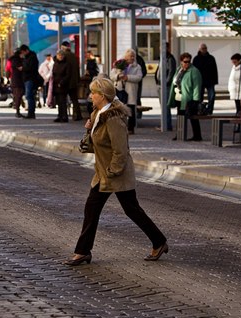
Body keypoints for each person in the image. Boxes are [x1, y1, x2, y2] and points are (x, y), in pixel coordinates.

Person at [63, 78, 169, 266]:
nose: (90, 96)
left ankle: (159, 242)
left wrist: (113, 171)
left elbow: (120, 151)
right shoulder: (97, 113)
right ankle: (83, 251)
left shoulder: (113, 119)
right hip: (103, 174)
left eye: (93, 93)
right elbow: (93, 145)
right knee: (95, 209)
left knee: (131, 210)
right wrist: (88, 131)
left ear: (102, 96)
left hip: (115, 174)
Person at [168, 52, 203, 141]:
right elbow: (175, 81)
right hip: (179, 97)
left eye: (188, 61)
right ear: (181, 61)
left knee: (192, 117)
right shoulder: (179, 69)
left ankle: (197, 135)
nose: (187, 63)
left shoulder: (194, 71)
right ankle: (179, 134)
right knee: (180, 116)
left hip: (189, 99)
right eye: (185, 61)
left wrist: (196, 99)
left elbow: (197, 86)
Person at [110, 48, 142, 134]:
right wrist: (118, 76)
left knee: (131, 109)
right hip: (120, 89)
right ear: (125, 57)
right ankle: (120, 126)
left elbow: (139, 77)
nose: (131, 58)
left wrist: (128, 77)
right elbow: (112, 75)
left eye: (133, 56)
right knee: (119, 108)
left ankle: (131, 128)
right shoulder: (119, 64)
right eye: (130, 56)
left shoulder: (137, 67)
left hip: (131, 90)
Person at [154, 43, 176, 131]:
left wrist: (166, 83)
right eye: (160, 47)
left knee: (166, 106)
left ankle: (167, 125)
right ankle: (164, 124)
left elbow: (171, 72)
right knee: (162, 106)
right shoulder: (162, 58)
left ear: (167, 48)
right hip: (159, 84)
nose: (160, 49)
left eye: (162, 47)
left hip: (165, 86)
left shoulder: (170, 59)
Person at [192, 43, 218, 115]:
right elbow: (194, 70)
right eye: (203, 48)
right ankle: (200, 109)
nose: (204, 50)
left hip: (210, 81)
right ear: (199, 49)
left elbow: (214, 70)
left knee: (212, 96)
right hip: (200, 81)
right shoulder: (196, 59)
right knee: (199, 96)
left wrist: (215, 80)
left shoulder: (211, 58)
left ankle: (209, 110)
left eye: (205, 48)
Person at [61, 41, 83, 121]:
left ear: (63, 47)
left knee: (63, 99)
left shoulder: (65, 56)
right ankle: (78, 115)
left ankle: (64, 116)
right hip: (74, 81)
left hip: (67, 81)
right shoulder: (73, 55)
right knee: (74, 99)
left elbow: (65, 69)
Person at [19, 44, 39, 119]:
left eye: (23, 52)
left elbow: (30, 68)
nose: (23, 54)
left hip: (30, 78)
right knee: (29, 96)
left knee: (29, 96)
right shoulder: (27, 57)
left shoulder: (32, 57)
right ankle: (30, 112)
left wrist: (23, 68)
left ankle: (31, 113)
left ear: (26, 50)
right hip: (27, 78)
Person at [51, 50, 69, 123]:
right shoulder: (55, 63)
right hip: (55, 84)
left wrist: (62, 82)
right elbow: (53, 73)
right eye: (59, 55)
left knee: (63, 101)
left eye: (61, 55)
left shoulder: (66, 64)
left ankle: (64, 116)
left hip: (63, 85)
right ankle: (59, 115)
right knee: (58, 101)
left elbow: (67, 75)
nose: (60, 57)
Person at [7, 49, 25, 118]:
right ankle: (17, 110)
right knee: (18, 95)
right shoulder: (18, 60)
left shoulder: (10, 60)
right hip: (18, 79)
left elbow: (8, 69)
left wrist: (8, 78)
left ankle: (18, 108)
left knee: (17, 95)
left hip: (13, 79)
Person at [135, 51, 148, 119]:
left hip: (138, 82)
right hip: (131, 83)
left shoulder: (139, 59)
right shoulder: (126, 60)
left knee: (137, 98)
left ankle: (138, 114)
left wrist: (139, 77)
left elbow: (144, 71)